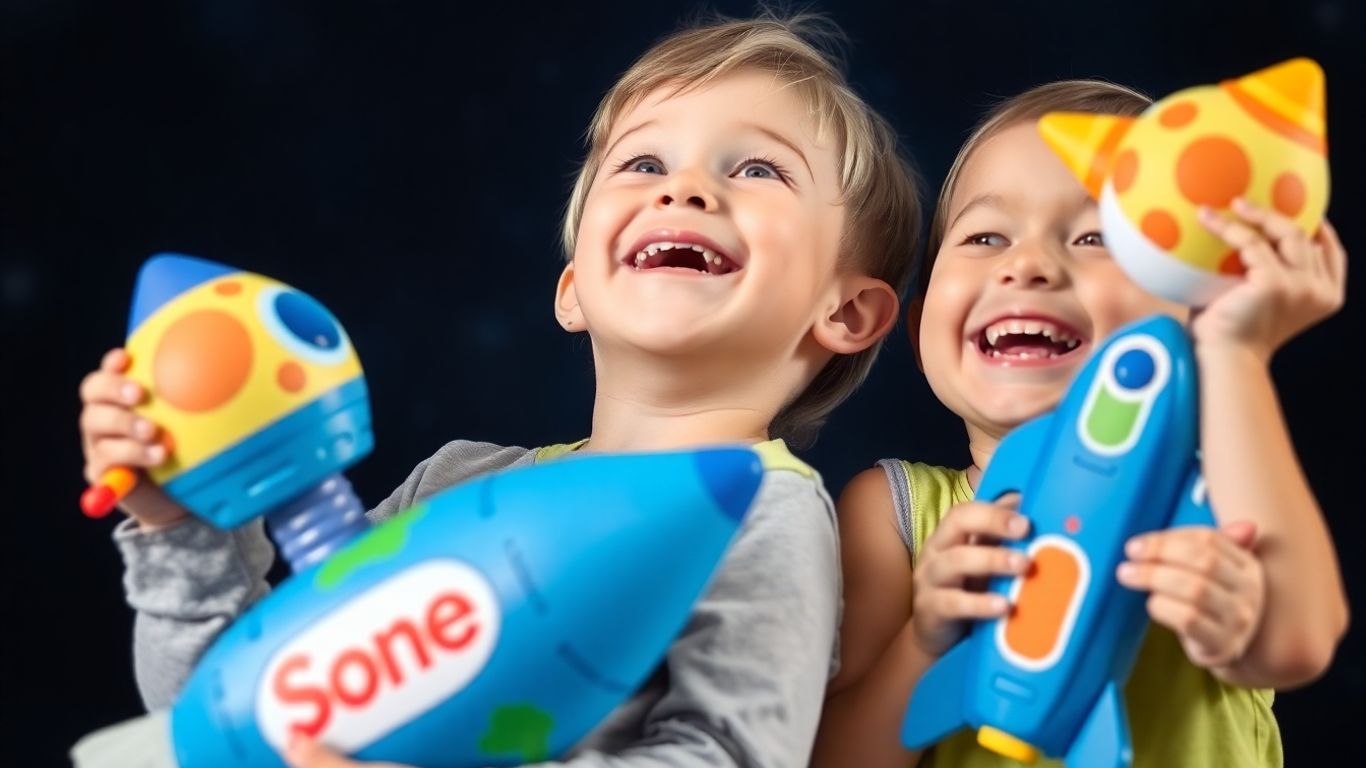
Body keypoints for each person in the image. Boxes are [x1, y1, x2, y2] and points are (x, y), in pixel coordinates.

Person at [76, 13, 924, 767]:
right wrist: (178, 523)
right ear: (573, 290)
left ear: (846, 312)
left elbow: (731, 755)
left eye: (760, 170)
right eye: (643, 162)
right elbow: (227, 709)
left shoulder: (767, 513)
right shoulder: (457, 480)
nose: (685, 187)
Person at [813, 79, 1349, 768]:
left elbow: (1299, 643)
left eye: (1097, 236)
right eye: (985, 236)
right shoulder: (892, 512)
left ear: (1200, 311)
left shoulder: (1225, 490)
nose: (1028, 264)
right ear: (919, 333)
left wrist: (1236, 352)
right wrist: (922, 641)